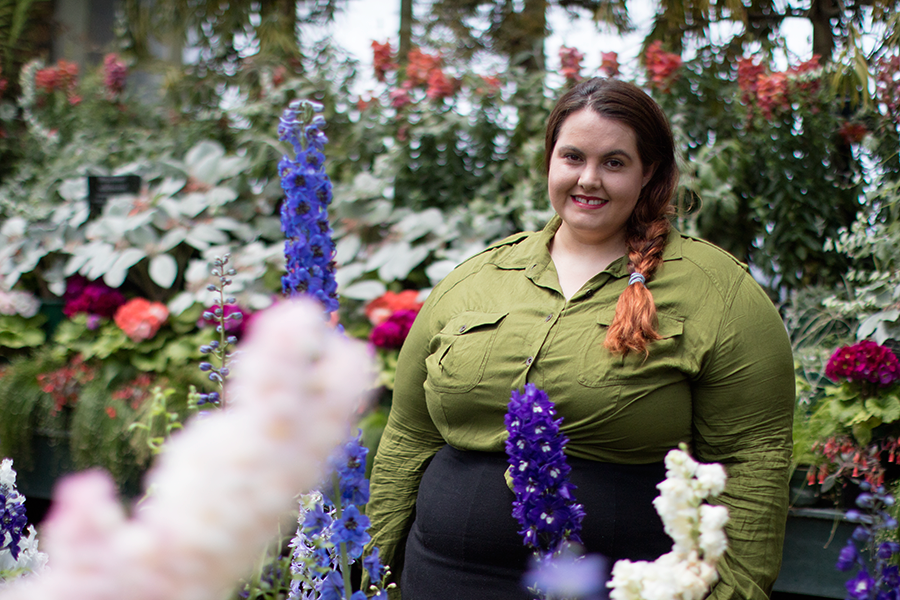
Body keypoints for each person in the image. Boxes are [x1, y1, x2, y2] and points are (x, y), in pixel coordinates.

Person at [366, 77, 794, 600]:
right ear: (550, 160)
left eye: (614, 162)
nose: (588, 179)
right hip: (445, 579)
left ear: (649, 172)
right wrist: (365, 576)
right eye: (572, 157)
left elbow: (754, 462)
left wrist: (733, 593)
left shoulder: (719, 293)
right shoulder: (474, 279)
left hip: (615, 582)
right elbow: (409, 437)